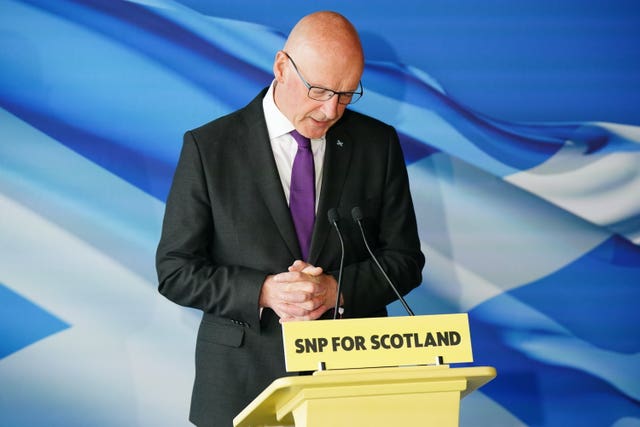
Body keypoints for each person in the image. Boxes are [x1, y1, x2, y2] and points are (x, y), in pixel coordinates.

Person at [156, 11, 425, 427]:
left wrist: (336, 289)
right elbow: (175, 270)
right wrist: (264, 291)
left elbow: (405, 260)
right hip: (242, 385)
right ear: (281, 67)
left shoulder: (378, 145)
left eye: (347, 94)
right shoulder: (209, 148)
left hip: (352, 382)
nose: (331, 109)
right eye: (318, 90)